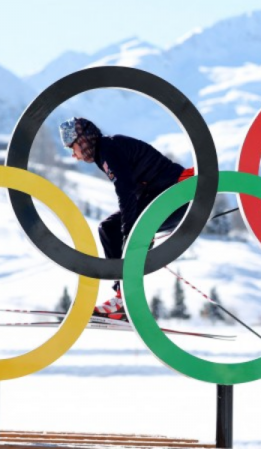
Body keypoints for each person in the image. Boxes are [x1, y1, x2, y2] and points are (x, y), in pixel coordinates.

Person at [59, 117, 193, 320]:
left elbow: (126, 190)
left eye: (72, 147)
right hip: (162, 198)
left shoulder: (108, 149)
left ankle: (125, 298)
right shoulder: (104, 151)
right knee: (108, 228)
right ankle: (123, 295)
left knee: (118, 229)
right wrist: (131, 230)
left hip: (175, 196)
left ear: (83, 140)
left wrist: (131, 232)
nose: (74, 156)